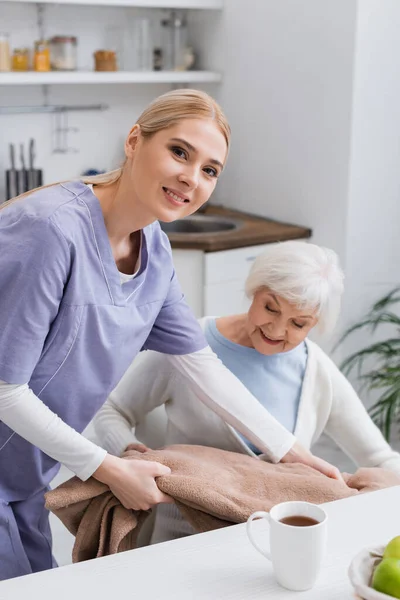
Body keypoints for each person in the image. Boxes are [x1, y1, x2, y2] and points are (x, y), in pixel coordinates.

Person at [0, 90, 338, 580]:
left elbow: (199, 364)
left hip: (24, 478)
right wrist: (109, 467)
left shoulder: (153, 250)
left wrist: (290, 452)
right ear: (135, 140)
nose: (191, 178)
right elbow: (5, 389)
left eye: (209, 169)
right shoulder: (50, 230)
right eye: (179, 152)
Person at [93, 240, 400, 544]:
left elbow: (379, 457)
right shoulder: (190, 347)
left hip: (273, 540)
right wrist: (130, 455)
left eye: (298, 323)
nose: (277, 330)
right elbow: (112, 410)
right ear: (254, 290)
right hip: (181, 534)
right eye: (271, 308)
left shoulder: (316, 370)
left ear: (314, 323)